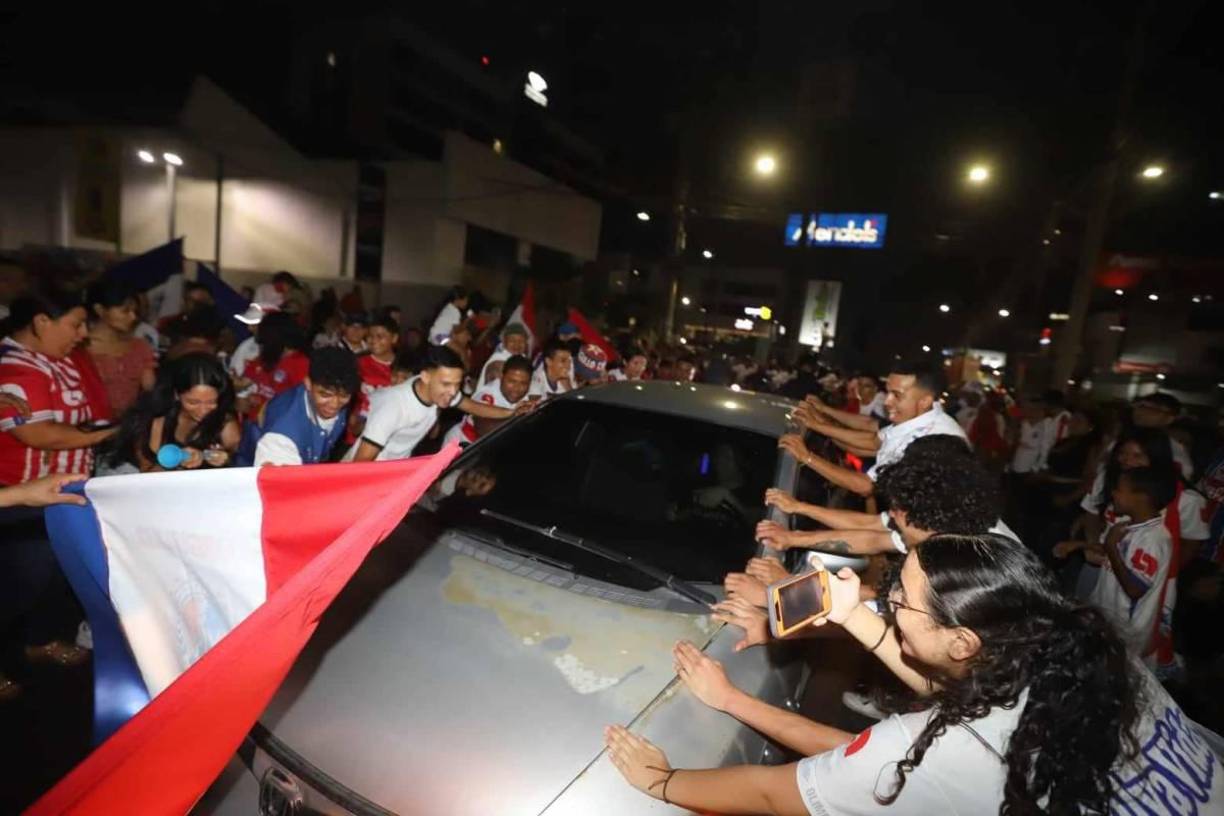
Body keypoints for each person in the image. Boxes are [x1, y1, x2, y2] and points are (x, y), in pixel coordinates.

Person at [606, 532, 1224, 815]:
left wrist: (664, 782)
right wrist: (853, 619)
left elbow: (779, 790)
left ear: (962, 640)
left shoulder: (951, 752)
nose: (884, 604)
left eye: (896, 598)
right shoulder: (1093, 659)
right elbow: (964, 693)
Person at [785, 362, 965, 497]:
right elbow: (871, 441)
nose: (887, 402)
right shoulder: (919, 419)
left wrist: (806, 456)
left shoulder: (929, 437)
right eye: (888, 392)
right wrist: (819, 422)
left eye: (897, 395)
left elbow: (865, 486)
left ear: (925, 401)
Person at [0, 292, 117, 485]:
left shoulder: (64, 358)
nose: (84, 333)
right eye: (76, 325)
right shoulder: (14, 367)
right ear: (41, 322)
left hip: (64, 488)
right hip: (24, 497)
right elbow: (40, 435)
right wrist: (114, 432)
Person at [345, 345, 519, 462]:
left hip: (393, 473)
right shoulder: (394, 406)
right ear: (425, 376)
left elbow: (471, 405)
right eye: (446, 384)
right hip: (366, 475)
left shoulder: (439, 392)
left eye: (457, 384)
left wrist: (511, 412)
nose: (453, 392)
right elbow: (360, 462)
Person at [1083, 466, 1180, 671]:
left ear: (1141, 497)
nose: (1113, 493)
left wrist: (1111, 546)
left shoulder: (1154, 540)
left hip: (1124, 631)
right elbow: (1120, 559)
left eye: (1119, 489)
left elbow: (1135, 589)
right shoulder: (1127, 526)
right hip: (1106, 615)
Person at [104, 353, 241, 472]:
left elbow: (240, 464)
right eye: (193, 402)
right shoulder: (155, 421)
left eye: (211, 402)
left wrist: (219, 458)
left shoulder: (225, 424)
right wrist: (177, 461)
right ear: (176, 394)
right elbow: (147, 471)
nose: (203, 410)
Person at [240, 347, 360, 466]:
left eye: (344, 396)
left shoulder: (339, 394)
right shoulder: (280, 436)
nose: (335, 405)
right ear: (307, 383)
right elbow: (283, 484)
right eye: (325, 395)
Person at [84, 281, 157, 416]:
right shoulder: (81, 348)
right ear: (100, 310)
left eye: (135, 311)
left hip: (128, 425)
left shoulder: (140, 347)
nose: (133, 317)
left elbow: (150, 391)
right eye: (125, 311)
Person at [443, 355, 532, 446]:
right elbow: (483, 429)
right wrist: (514, 418)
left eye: (523, 383)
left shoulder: (530, 396)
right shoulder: (487, 393)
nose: (517, 388)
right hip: (461, 443)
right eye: (512, 381)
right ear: (502, 377)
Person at [236, 312, 310, 419]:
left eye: (265, 341)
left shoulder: (300, 363)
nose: (262, 345)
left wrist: (265, 404)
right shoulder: (265, 358)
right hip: (253, 423)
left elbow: (302, 403)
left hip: (278, 425)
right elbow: (243, 383)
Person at [1131, 392, 1195, 479]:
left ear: (1169, 418)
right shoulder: (1129, 435)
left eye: (1151, 409)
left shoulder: (1173, 445)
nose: (1140, 412)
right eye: (1139, 406)